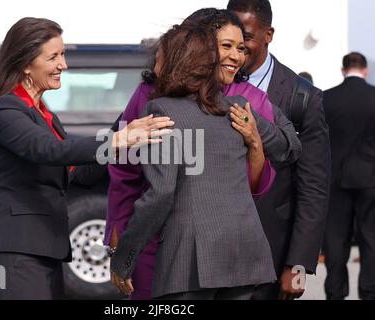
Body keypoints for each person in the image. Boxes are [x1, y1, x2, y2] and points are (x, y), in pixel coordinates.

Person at [105, 8, 301, 300]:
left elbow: (160, 194)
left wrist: (256, 143)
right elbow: (125, 169)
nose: (236, 56)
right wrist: (118, 227)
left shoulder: (229, 103)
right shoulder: (224, 103)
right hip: (222, 252)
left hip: (193, 255)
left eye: (241, 48)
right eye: (227, 46)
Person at [0, 17, 173, 300]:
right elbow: (48, 151)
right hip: (15, 251)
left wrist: (128, 122)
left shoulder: (44, 115)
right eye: (53, 57)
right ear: (25, 64)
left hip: (45, 249)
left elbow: (79, 172)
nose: (63, 65)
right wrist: (118, 139)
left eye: (63, 54)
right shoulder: (5, 110)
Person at [227, 0, 331, 300]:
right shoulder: (206, 82)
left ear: (268, 34)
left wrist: (298, 264)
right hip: (210, 252)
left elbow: (313, 186)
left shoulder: (302, 98)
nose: (237, 46)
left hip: (271, 253)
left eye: (245, 36)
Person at [323, 52, 375, 300]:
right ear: (364, 70)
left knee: (335, 240)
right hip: (370, 180)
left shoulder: (326, 98)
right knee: (370, 239)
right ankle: (369, 291)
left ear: (343, 70)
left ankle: (335, 292)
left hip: (334, 179)